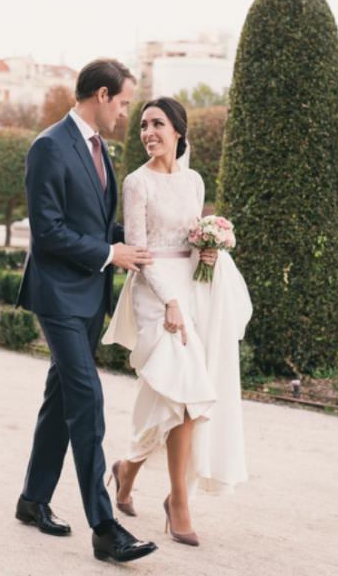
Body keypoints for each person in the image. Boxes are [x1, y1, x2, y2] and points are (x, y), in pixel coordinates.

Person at [15, 59, 158, 563]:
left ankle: (32, 499)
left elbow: (98, 226)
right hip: (57, 295)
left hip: (91, 296)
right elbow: (47, 232)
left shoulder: (101, 150)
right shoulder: (49, 147)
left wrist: (151, 240)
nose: (125, 114)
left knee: (61, 400)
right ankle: (104, 527)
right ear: (101, 95)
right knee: (87, 400)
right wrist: (108, 254)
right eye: (123, 103)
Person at [102, 97, 252, 547]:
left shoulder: (194, 181)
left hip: (192, 290)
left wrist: (207, 251)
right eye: (143, 125)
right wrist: (168, 300)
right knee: (180, 391)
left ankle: (127, 470)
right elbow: (139, 252)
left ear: (178, 132)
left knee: (172, 395)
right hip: (154, 292)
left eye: (158, 124)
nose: (148, 132)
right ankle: (178, 501)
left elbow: (190, 240)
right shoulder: (136, 183)